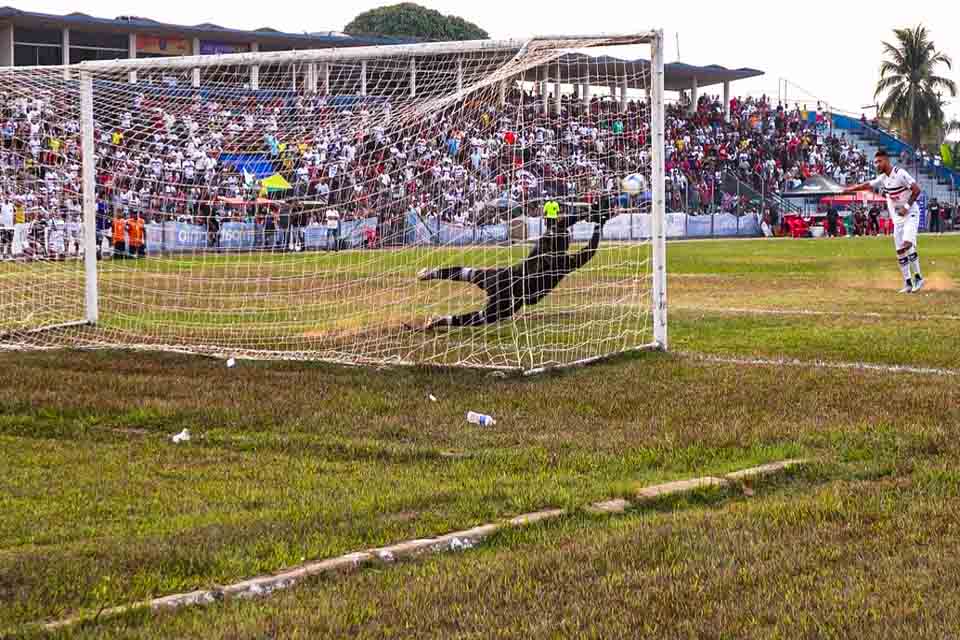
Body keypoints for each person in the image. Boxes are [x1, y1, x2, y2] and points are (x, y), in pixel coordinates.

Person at [412, 199, 612, 330]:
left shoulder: (545, 243)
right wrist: (597, 225)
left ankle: (432, 273)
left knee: (469, 273)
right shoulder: (566, 263)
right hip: (519, 299)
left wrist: (587, 214)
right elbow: (589, 252)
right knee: (483, 318)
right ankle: (442, 321)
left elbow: (561, 225)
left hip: (507, 278)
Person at [844, 149, 924, 293]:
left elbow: (917, 190)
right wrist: (850, 189)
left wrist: (906, 207)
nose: (877, 164)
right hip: (899, 219)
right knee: (900, 250)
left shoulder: (900, 173)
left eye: (879, 161)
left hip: (911, 213)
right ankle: (908, 282)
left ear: (887, 160)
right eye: (875, 162)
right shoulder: (883, 178)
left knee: (907, 244)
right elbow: (867, 185)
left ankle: (918, 277)